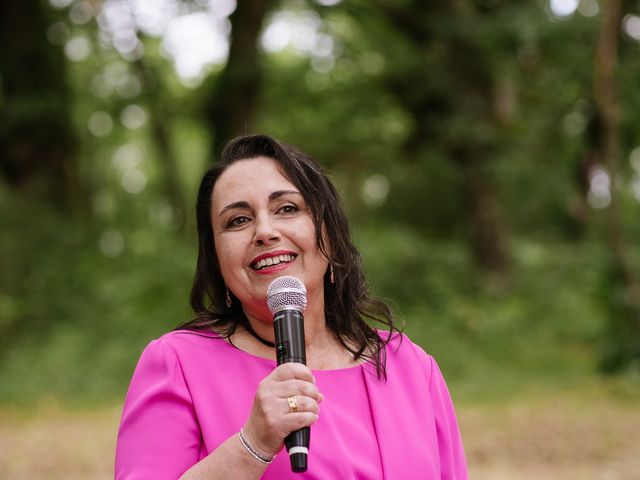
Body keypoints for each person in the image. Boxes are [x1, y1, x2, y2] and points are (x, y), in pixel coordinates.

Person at [114, 134, 468, 479]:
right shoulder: (177, 364)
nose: (264, 231)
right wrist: (252, 444)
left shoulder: (412, 368)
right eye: (238, 220)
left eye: (287, 209)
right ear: (216, 259)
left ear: (328, 233)